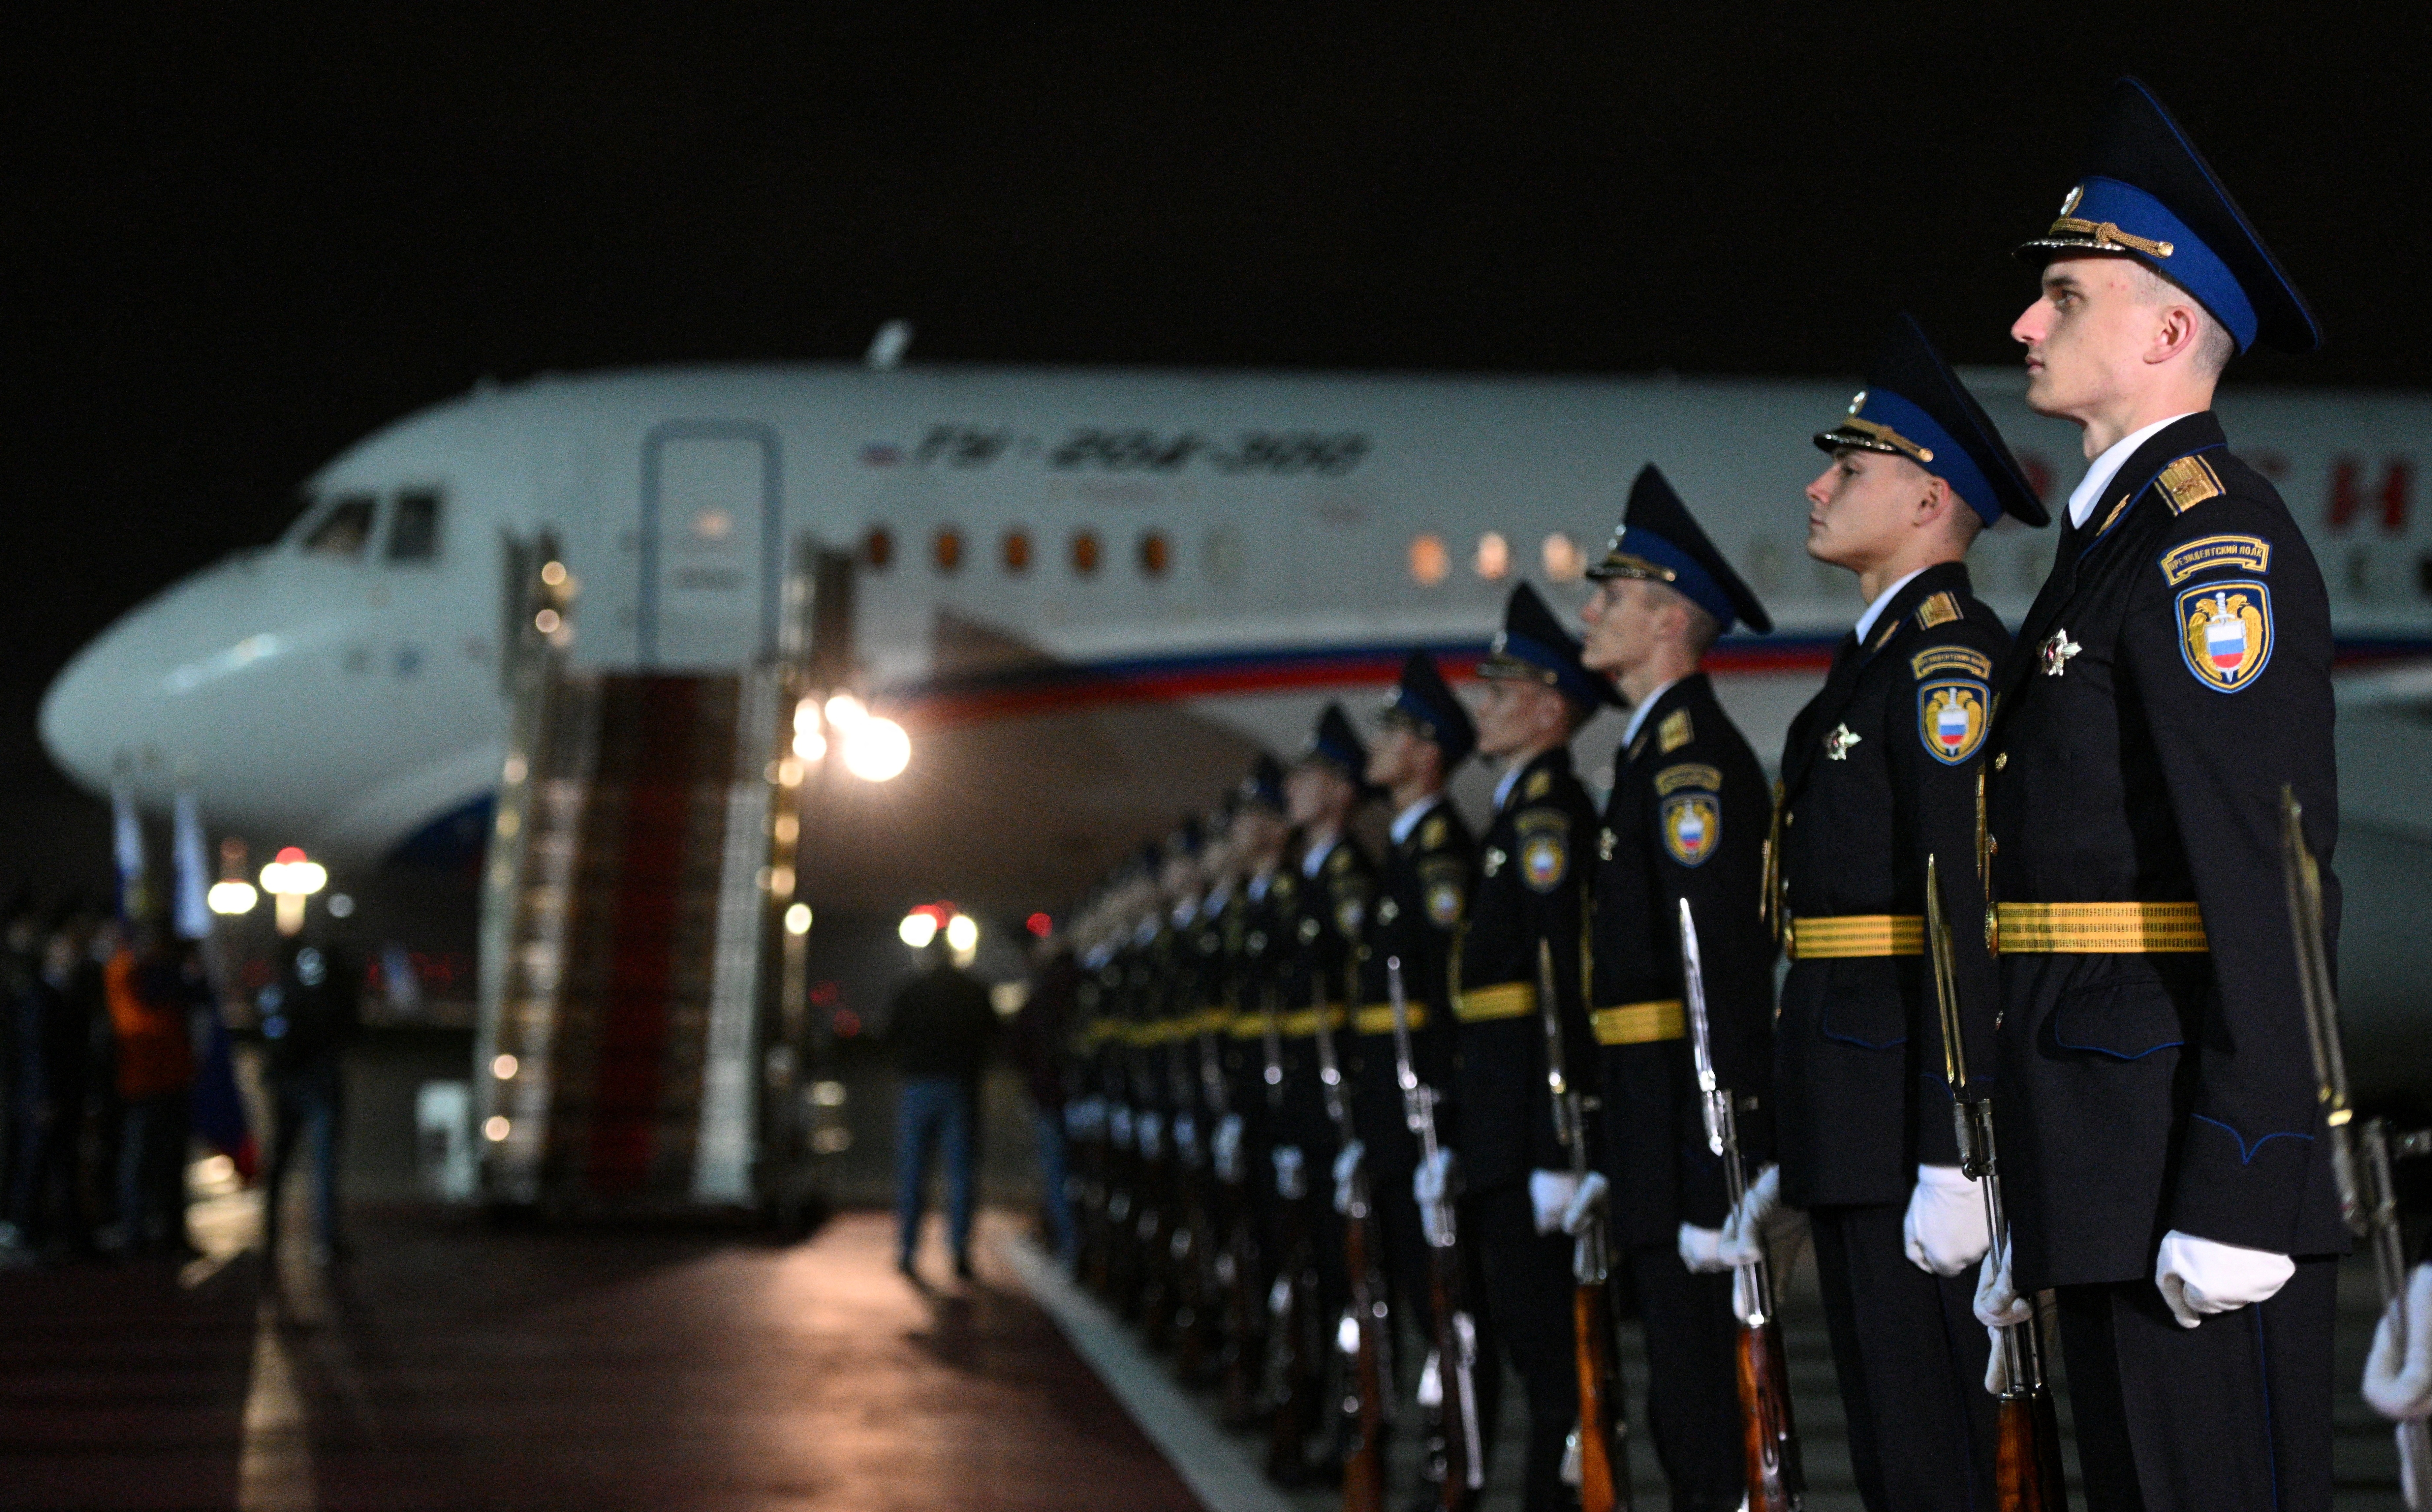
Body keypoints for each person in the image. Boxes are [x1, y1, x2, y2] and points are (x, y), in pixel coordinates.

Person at [1980, 77, 2340, 1511]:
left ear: (2168, 330)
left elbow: (2266, 874)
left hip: (2182, 1158)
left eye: (2062, 296)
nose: (2025, 323)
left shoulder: (2209, 549)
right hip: (2103, 1155)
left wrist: (2249, 1176)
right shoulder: (2109, 547)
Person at [1750, 315, 2046, 1511]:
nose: (1817, 487)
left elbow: (1960, 911)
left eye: (1851, 468)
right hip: (1852, 1104)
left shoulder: (1945, 668)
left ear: (1929, 498)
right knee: (1890, 1436)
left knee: (1939, 1443)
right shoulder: (1871, 663)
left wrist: (1952, 1143)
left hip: (1906, 1117)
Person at [1574, 464, 1776, 1511]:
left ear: (1665, 620)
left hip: (1688, 1144)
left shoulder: (1689, 765)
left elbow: (1718, 979)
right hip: (1653, 1129)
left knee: (1702, 1416)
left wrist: (1716, 1179)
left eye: (1610, 594)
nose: (1588, 610)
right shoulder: (1650, 754)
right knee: (1678, 1409)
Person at [1450, 581, 1613, 1512]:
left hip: (1527, 1139)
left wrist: (1557, 1145)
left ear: (1548, 708)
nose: (1482, 706)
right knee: (1527, 1342)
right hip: (1502, 1133)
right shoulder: (1517, 820)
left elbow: (1561, 990)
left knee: (1550, 1354)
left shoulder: (1546, 819)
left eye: (1499, 691)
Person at [1356, 648, 1488, 1506]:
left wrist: (1445, 1118)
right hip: (1392, 1120)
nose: (1380, 744)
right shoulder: (1401, 852)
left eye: (1395, 731)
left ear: (1427, 753)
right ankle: (1438, 1460)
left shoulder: (1439, 855)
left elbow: (1446, 999)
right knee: (1411, 1294)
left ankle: (1458, 1473)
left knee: (1445, 1308)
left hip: (1425, 1118)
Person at [887, 932, 997, 1281]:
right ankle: (960, 1250)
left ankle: (908, 1249)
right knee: (962, 1173)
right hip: (959, 1086)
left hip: (919, 1085)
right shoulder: (974, 990)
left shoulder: (911, 989)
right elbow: (992, 1034)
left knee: (913, 1171)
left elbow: (892, 1033)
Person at [259, 937, 359, 1266]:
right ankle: (325, 1240)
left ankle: (270, 1234)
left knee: (282, 1161)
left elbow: (271, 1035)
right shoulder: (330, 996)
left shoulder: (281, 993)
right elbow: (349, 1031)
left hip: (290, 1083)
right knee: (323, 1166)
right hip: (318, 1085)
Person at [103, 922, 197, 1257]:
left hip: (170, 1079)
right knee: (139, 1160)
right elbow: (132, 1022)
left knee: (171, 1161)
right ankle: (135, 1234)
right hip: (142, 1082)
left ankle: (170, 1233)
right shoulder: (125, 971)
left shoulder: (162, 973)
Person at [1007, 929, 1080, 1266]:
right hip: (1074, 1094)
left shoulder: (1046, 991)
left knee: (1057, 1172)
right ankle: (1072, 1244)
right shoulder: (1080, 982)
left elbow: (1020, 1043)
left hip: (1052, 1095)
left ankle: (1069, 1245)